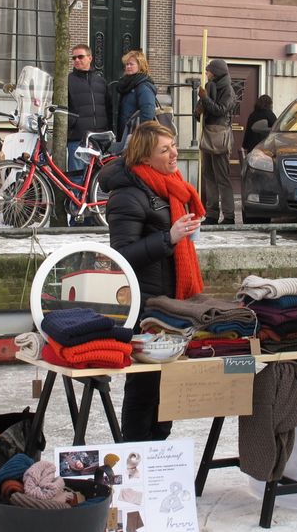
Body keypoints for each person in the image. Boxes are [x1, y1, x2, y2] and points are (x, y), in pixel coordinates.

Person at [97, 120, 205, 441]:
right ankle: (137, 458)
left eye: (173, 145)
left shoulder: (171, 184)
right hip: (145, 306)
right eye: (165, 149)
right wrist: (169, 237)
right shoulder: (127, 196)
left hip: (172, 305)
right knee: (144, 387)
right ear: (145, 158)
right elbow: (122, 256)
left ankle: (159, 457)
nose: (174, 153)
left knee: (167, 388)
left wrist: (183, 235)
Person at [195, 59, 236, 225]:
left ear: (216, 72)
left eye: (209, 70)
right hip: (208, 135)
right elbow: (204, 111)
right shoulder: (209, 87)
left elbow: (220, 110)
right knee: (209, 176)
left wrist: (205, 99)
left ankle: (229, 216)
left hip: (219, 138)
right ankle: (211, 214)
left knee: (222, 178)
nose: (206, 73)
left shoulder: (228, 90)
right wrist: (198, 111)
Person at [67, 44, 111, 171]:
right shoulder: (67, 81)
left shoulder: (101, 82)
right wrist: (73, 126)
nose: (76, 60)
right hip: (78, 138)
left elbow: (108, 108)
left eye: (80, 57)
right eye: (74, 58)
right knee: (77, 178)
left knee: (97, 179)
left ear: (90, 58)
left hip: (99, 139)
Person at [115, 50, 156, 141]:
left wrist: (140, 136)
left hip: (135, 136)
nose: (128, 66)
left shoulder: (143, 86)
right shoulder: (128, 84)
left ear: (140, 65)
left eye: (131, 64)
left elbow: (148, 112)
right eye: (126, 64)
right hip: (126, 133)